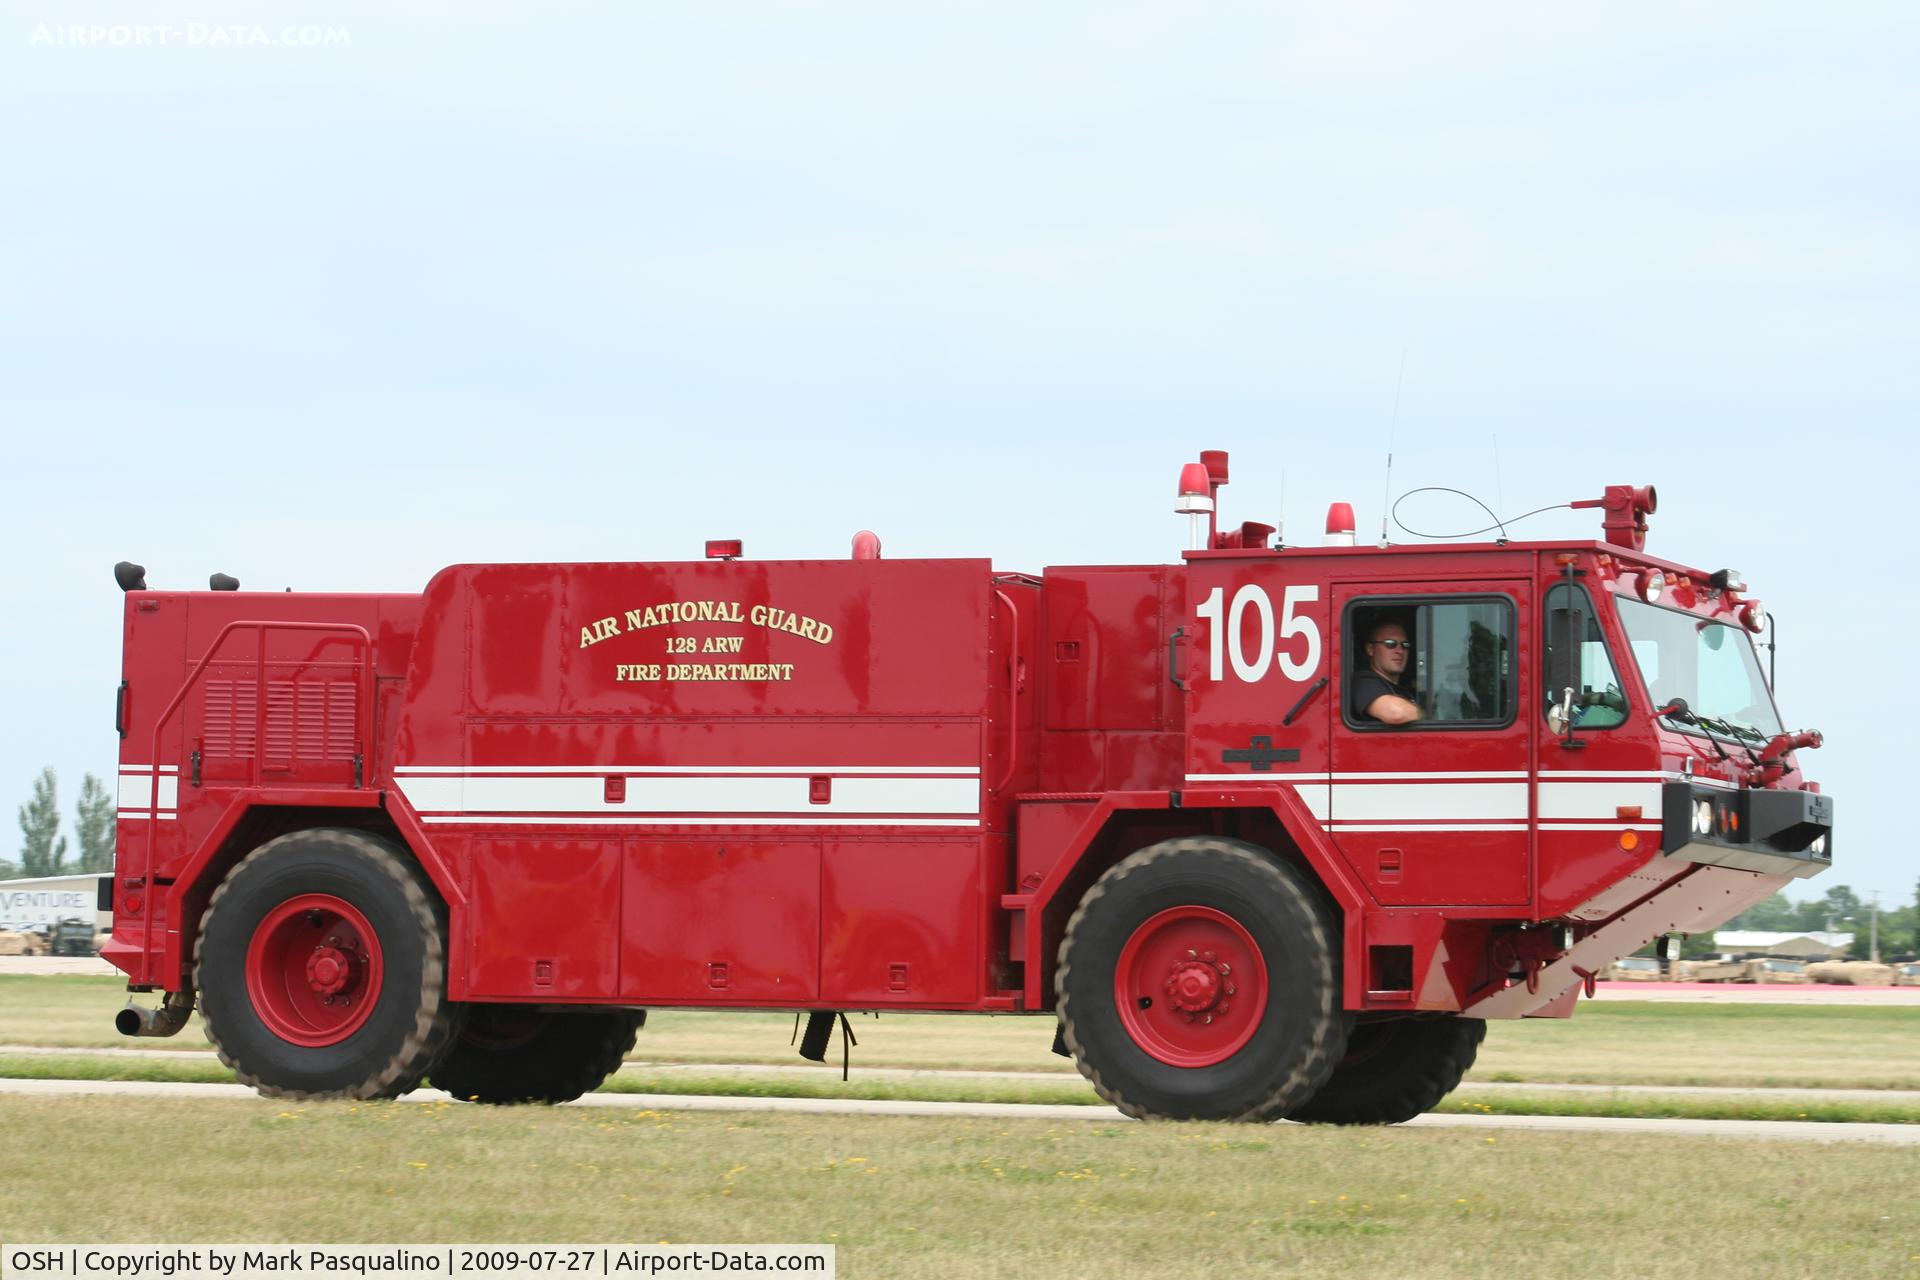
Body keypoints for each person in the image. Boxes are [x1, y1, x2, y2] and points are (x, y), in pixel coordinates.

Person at [1352, 620, 1421, 724]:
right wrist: (1430, 714)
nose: (1400, 651)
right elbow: (1396, 714)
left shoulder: (1403, 689)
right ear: (1370, 649)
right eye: (1390, 644)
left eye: (1405, 645)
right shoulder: (1363, 683)